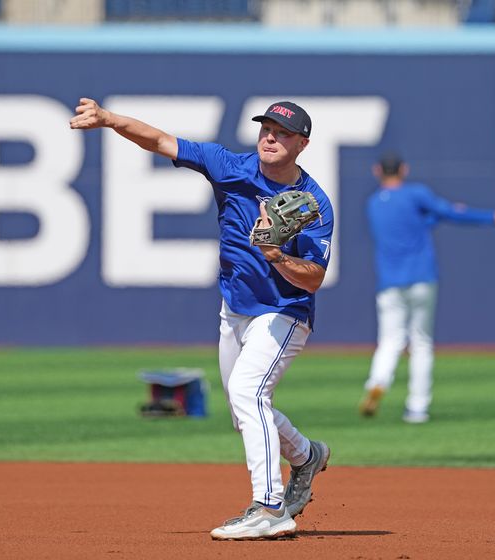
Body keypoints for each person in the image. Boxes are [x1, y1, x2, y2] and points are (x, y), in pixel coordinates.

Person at [70, 99, 334, 540]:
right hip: (235, 310)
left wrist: (275, 255)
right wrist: (110, 118)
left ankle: (270, 509)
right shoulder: (229, 166)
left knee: (249, 393)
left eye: (283, 133)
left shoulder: (313, 204)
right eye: (266, 128)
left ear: (302, 144)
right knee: (242, 408)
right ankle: (306, 456)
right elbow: (159, 140)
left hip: (284, 313)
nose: (271, 137)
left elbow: (313, 280)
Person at [359, 152, 495, 423]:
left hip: (389, 282)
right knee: (421, 342)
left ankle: (378, 382)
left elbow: (417, 224)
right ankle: (417, 408)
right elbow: (447, 214)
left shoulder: (373, 203)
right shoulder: (415, 193)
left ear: (377, 171)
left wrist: (439, 216)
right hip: (421, 277)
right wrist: (494, 217)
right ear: (404, 170)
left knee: (389, 341)